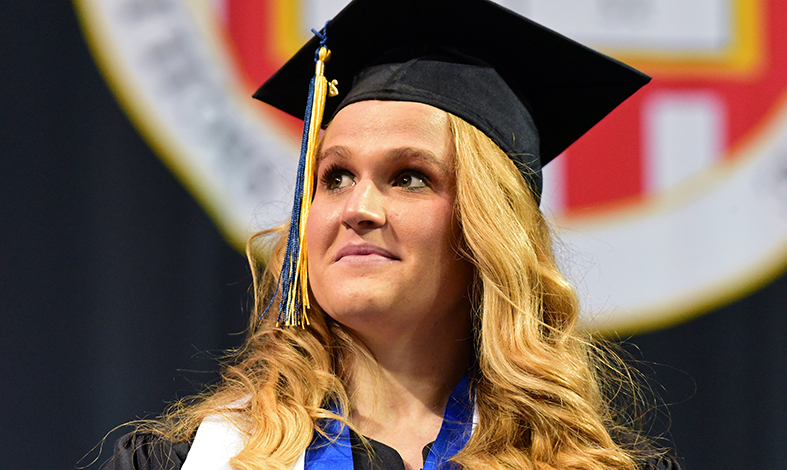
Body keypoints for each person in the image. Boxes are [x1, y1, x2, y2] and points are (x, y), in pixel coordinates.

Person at [103, 0, 681, 469]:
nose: (359, 208)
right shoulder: (201, 460)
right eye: (335, 177)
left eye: (409, 177)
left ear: (489, 229)